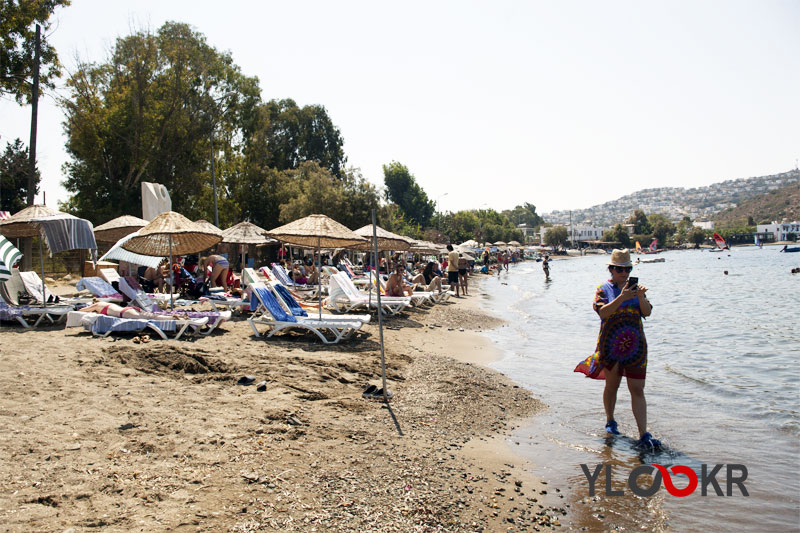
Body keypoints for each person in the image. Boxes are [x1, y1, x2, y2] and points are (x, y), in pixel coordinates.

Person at [574, 249, 659, 449]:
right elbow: (603, 313)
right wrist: (621, 297)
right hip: (611, 346)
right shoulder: (603, 289)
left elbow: (647, 312)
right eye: (620, 269)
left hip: (636, 347)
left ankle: (643, 433)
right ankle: (611, 421)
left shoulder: (637, 289)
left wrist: (640, 297)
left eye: (627, 269)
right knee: (612, 386)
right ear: (611, 270)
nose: (624, 273)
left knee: (637, 389)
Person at [80, 301, 173, 320]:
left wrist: (80, 309)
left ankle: (172, 318)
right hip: (128, 310)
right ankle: (172, 317)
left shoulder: (98, 305)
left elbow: (83, 310)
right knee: (150, 315)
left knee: (150, 317)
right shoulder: (106, 304)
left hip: (124, 313)